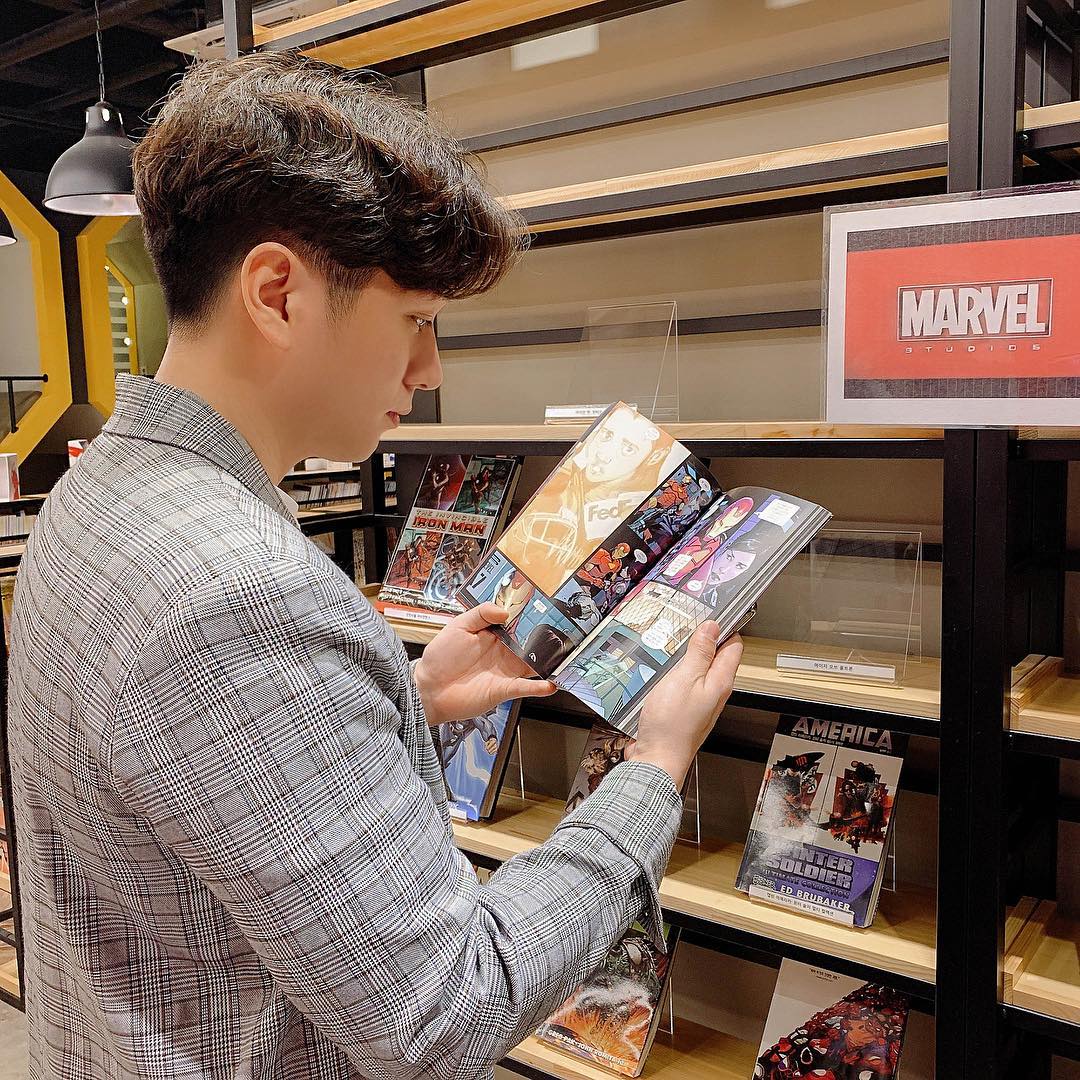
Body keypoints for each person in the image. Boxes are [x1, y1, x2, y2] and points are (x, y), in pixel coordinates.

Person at [7, 53, 743, 1080]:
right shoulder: (241, 592)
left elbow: (174, 792)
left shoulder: (96, 496)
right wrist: (651, 771)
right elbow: (442, 1014)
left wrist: (403, 694)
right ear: (277, 293)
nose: (429, 368)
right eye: (417, 320)